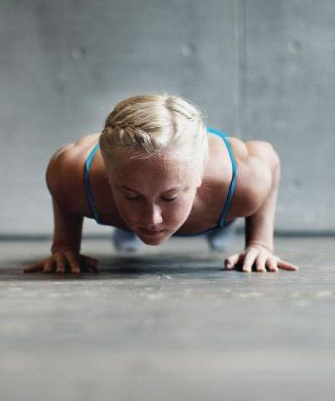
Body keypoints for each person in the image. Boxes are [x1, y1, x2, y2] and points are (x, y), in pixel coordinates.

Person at [23, 94, 299, 274]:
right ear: (108, 175)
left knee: (226, 219)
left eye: (170, 197)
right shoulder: (71, 173)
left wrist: (261, 243)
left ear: (200, 176)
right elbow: (61, 185)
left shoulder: (243, 180)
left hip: (215, 208)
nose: (152, 218)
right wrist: (64, 245)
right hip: (117, 197)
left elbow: (269, 157)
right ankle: (133, 222)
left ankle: (219, 226)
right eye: (131, 196)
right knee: (139, 212)